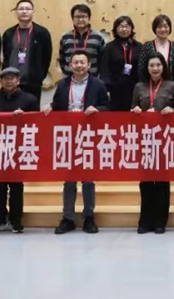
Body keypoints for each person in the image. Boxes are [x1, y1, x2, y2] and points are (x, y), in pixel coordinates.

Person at [44, 50, 110, 235]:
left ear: (89, 65)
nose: (79, 65)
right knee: (69, 179)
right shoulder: (63, 85)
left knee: (88, 179)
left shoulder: (98, 84)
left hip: (89, 136)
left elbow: (108, 107)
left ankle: (89, 217)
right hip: (68, 137)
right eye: (76, 62)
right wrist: (50, 106)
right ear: (70, 65)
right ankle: (68, 218)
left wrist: (97, 109)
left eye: (82, 62)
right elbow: (57, 105)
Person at [0, 68, 39, 234]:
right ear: (0, 81)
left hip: (20, 147)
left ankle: (16, 219)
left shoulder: (29, 100)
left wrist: (26, 116)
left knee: (16, 184)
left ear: (18, 80)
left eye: (12, 78)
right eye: (5, 78)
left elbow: (38, 123)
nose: (9, 81)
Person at [131, 54, 174, 234]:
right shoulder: (139, 87)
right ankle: (145, 220)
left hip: (164, 138)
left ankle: (160, 221)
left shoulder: (172, 85)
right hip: (144, 139)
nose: (155, 69)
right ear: (147, 68)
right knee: (145, 181)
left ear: (163, 67)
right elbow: (132, 109)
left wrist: (172, 110)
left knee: (161, 181)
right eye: (151, 65)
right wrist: (135, 110)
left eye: (158, 65)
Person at [1, 0, 53, 101]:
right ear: (16, 12)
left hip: (33, 83)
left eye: (28, 9)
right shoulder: (9, 33)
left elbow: (46, 58)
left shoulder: (42, 33)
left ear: (33, 11)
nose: (24, 12)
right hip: (11, 82)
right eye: (21, 9)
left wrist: (39, 76)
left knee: (31, 110)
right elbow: (6, 56)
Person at [100, 16, 142, 111]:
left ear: (131, 28)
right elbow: (105, 69)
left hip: (134, 89)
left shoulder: (139, 47)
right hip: (115, 90)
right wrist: (106, 89)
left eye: (127, 26)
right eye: (121, 26)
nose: (124, 29)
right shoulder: (109, 47)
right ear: (115, 29)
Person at [59, 4, 107, 79]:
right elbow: (61, 59)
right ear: (72, 19)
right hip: (69, 79)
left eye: (84, 16)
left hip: (92, 80)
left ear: (89, 18)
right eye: (77, 17)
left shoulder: (98, 37)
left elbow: (103, 61)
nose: (80, 20)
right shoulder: (65, 37)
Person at [137, 14, 174, 86]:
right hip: (150, 87)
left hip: (171, 87)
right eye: (159, 27)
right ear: (155, 28)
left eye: (166, 26)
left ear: (170, 28)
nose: (163, 29)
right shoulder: (147, 46)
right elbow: (141, 70)